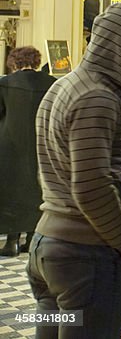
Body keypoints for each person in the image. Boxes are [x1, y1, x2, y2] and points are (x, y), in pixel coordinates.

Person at [28, 2, 121, 337]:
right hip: (84, 256)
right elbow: (90, 188)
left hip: (48, 248)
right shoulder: (98, 98)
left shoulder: (64, 85)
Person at [0, 47, 56, 257]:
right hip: (41, 145)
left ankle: (12, 242)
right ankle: (32, 238)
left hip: (10, 146)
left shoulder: (5, 83)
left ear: (14, 62)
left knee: (12, 191)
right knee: (36, 191)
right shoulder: (51, 83)